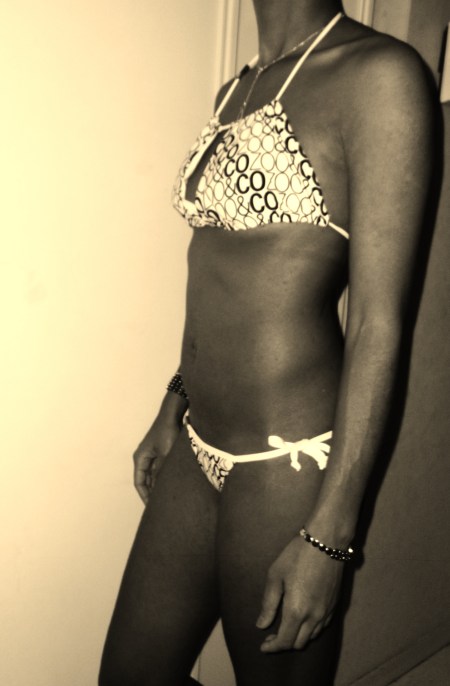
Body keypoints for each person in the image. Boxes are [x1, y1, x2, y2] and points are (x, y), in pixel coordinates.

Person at [99, 1, 436, 684]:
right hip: (196, 440)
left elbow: (377, 324)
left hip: (287, 461)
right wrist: (173, 401)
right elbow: (215, 271)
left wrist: (330, 536)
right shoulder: (236, 89)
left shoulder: (380, 75)